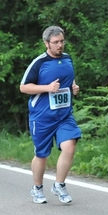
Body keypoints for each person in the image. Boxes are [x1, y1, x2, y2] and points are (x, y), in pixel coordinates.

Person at [20, 26, 82, 204]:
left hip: (64, 115)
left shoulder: (68, 58)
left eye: (62, 41)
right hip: (42, 117)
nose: (60, 45)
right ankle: (37, 188)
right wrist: (47, 88)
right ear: (46, 43)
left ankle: (59, 185)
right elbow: (24, 87)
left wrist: (73, 87)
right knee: (42, 154)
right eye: (56, 42)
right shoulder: (39, 62)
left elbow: (68, 78)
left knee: (69, 146)